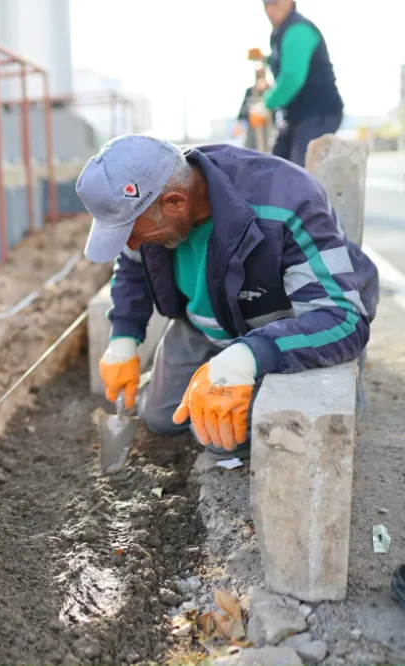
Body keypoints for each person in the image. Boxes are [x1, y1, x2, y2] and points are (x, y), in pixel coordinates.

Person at [76, 134, 378, 458]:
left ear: (175, 202)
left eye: (133, 232)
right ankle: (214, 367)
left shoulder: (286, 203)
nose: (132, 243)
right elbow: (131, 263)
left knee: (218, 437)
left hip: (277, 328)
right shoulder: (152, 198)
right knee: (160, 418)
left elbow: (343, 318)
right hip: (205, 324)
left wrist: (246, 358)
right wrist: (123, 337)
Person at [248, 0, 343, 167]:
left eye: (274, 2)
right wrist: (265, 59)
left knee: (300, 171)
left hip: (318, 113)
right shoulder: (282, 32)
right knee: (278, 166)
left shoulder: (298, 30)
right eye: (266, 3)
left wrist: (266, 104)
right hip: (294, 116)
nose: (270, 9)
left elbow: (292, 78)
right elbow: (286, 61)